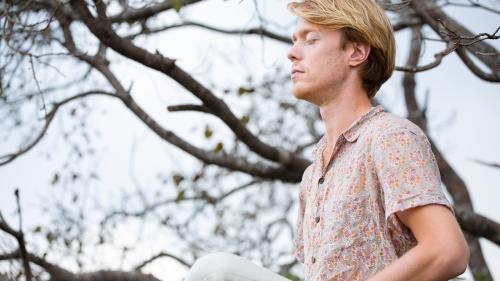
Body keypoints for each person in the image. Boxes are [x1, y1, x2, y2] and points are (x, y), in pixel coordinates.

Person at [287, 0, 469, 280]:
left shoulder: (389, 137)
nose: (292, 53)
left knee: (214, 270)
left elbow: (446, 250)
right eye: (294, 41)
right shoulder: (311, 175)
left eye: (310, 40)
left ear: (357, 52)